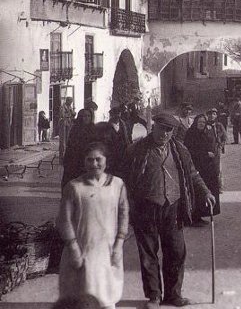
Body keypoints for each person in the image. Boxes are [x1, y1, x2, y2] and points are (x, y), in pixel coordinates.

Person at [123, 113, 215, 309]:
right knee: (148, 252)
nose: (164, 133)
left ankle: (173, 295)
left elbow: (192, 173)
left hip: (173, 207)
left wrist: (206, 192)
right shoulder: (137, 149)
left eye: (169, 130)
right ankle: (154, 296)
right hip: (145, 206)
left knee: (176, 250)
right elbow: (124, 177)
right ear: (153, 126)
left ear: (173, 132)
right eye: (161, 128)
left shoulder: (180, 150)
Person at [57, 141, 129, 309]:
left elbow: (124, 215)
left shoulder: (117, 184)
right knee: (81, 296)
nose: (94, 164)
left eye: (98, 159)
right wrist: (73, 248)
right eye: (89, 160)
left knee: (106, 296)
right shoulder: (74, 187)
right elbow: (64, 219)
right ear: (83, 162)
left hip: (107, 250)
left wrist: (119, 244)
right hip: (82, 248)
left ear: (106, 161)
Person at [183, 114, 222, 226]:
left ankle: (201, 215)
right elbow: (189, 151)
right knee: (197, 192)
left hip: (206, 168)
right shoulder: (190, 134)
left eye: (203, 123)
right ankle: (194, 217)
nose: (201, 124)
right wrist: (205, 154)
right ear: (196, 122)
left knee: (207, 191)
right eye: (200, 122)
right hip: (195, 168)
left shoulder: (204, 134)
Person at [62, 109, 98, 188]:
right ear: (80, 117)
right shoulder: (75, 129)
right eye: (84, 116)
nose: (87, 118)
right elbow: (71, 146)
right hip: (75, 160)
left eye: (89, 116)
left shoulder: (93, 129)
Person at [94, 107, 132, 179]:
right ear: (111, 115)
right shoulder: (105, 127)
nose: (117, 117)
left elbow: (128, 138)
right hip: (111, 154)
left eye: (118, 114)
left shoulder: (124, 125)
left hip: (123, 153)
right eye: (115, 115)